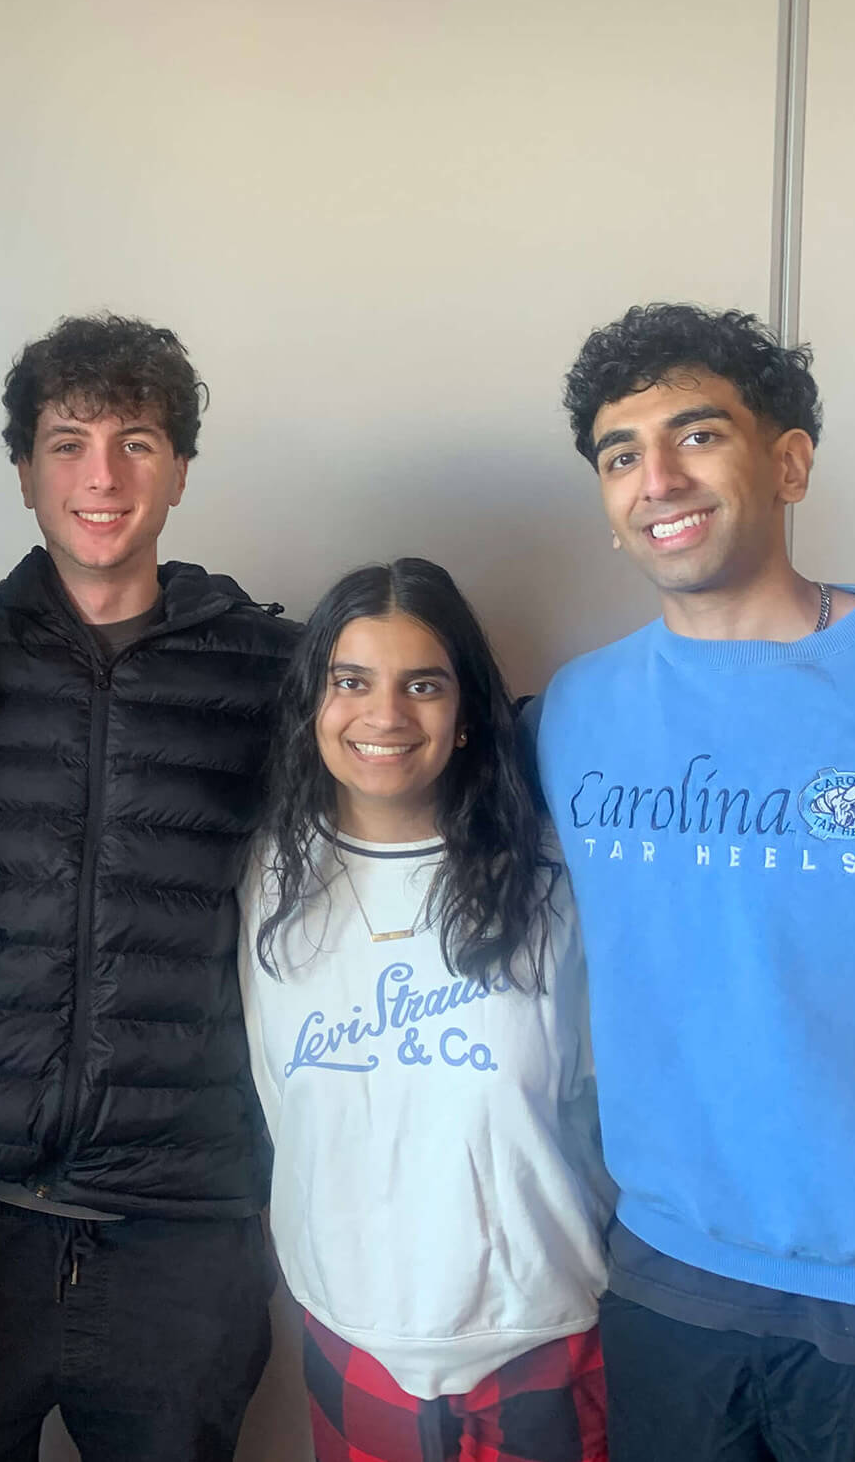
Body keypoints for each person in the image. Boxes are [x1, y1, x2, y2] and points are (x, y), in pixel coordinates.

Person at [534, 302, 855, 1459]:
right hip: (673, 1278)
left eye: (696, 435)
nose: (656, 477)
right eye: (620, 455)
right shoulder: (574, 712)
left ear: (788, 461)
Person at [0, 313, 299, 1461]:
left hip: (186, 1237)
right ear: (23, 471)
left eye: (136, 442)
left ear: (177, 469)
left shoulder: (277, 673)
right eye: (67, 442)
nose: (100, 476)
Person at [239, 557, 610, 1462]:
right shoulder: (271, 875)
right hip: (353, 1334)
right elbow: (280, 1106)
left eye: (424, 685)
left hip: (543, 1341)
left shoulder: (556, 881)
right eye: (352, 681)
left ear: (468, 712)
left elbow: (603, 1107)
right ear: (314, 704)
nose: (385, 714)